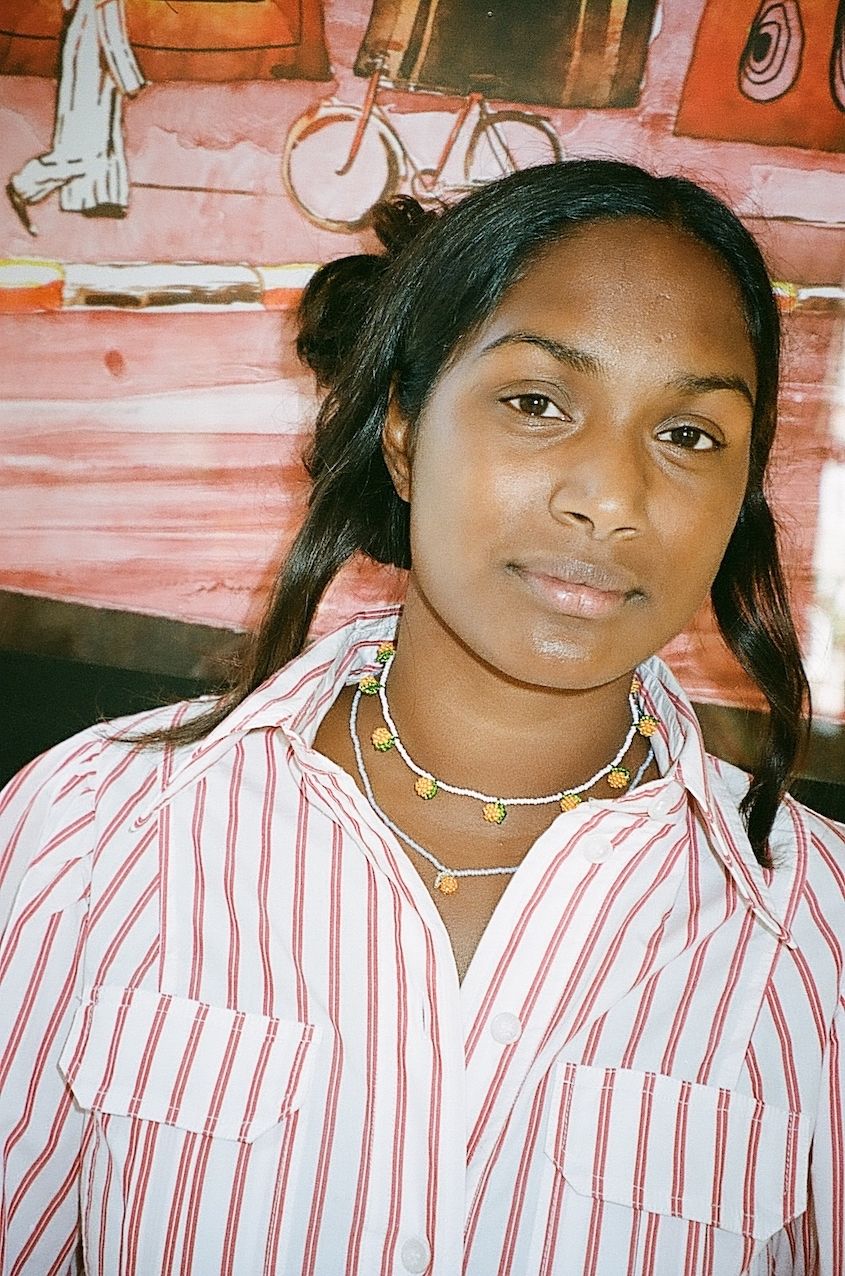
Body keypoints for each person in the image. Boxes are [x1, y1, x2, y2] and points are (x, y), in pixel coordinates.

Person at [0, 159, 842, 1275]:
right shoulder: (85, 835)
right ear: (401, 431)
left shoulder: (815, 944)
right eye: (537, 402)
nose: (609, 497)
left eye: (687, 434)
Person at [6, 0, 144, 236]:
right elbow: (112, 35)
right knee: (88, 144)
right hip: (96, 61)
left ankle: (97, 197)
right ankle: (25, 185)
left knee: (102, 134)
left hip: (87, 56)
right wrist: (132, 80)